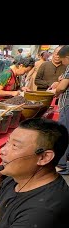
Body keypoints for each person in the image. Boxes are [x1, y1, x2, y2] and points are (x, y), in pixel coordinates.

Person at [53, 45, 69, 175]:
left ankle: (61, 164)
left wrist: (56, 91)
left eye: (63, 59)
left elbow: (62, 87)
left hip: (67, 105)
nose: (62, 62)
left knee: (64, 132)